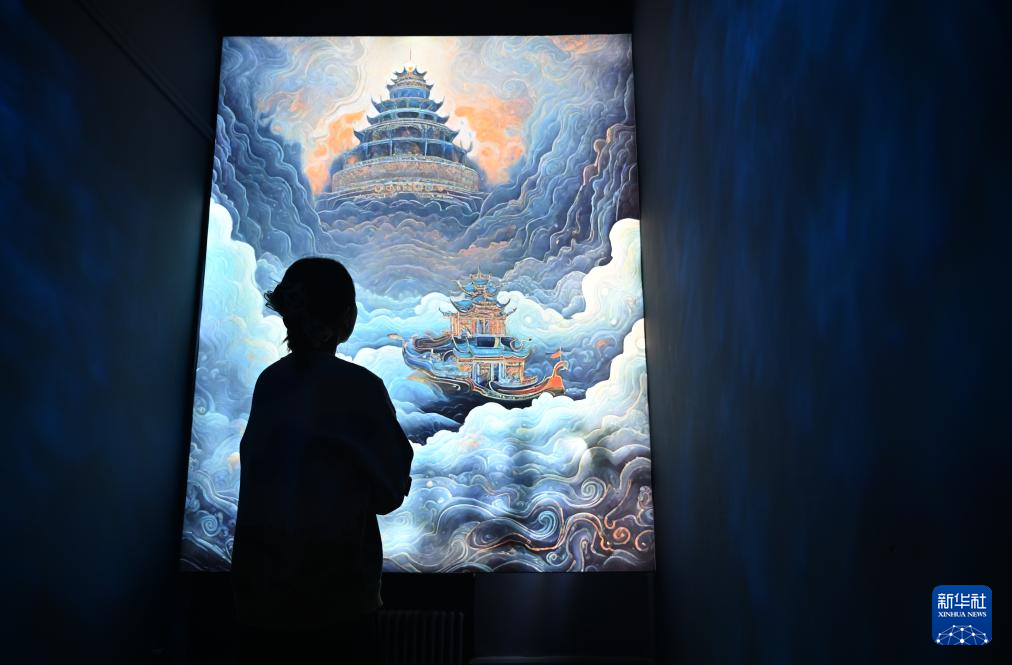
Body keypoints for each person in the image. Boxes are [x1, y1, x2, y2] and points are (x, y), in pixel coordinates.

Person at [230, 257, 413, 664]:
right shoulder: (360, 388)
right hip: (336, 606)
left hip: (260, 604)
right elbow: (391, 491)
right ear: (345, 318)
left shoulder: (269, 383)